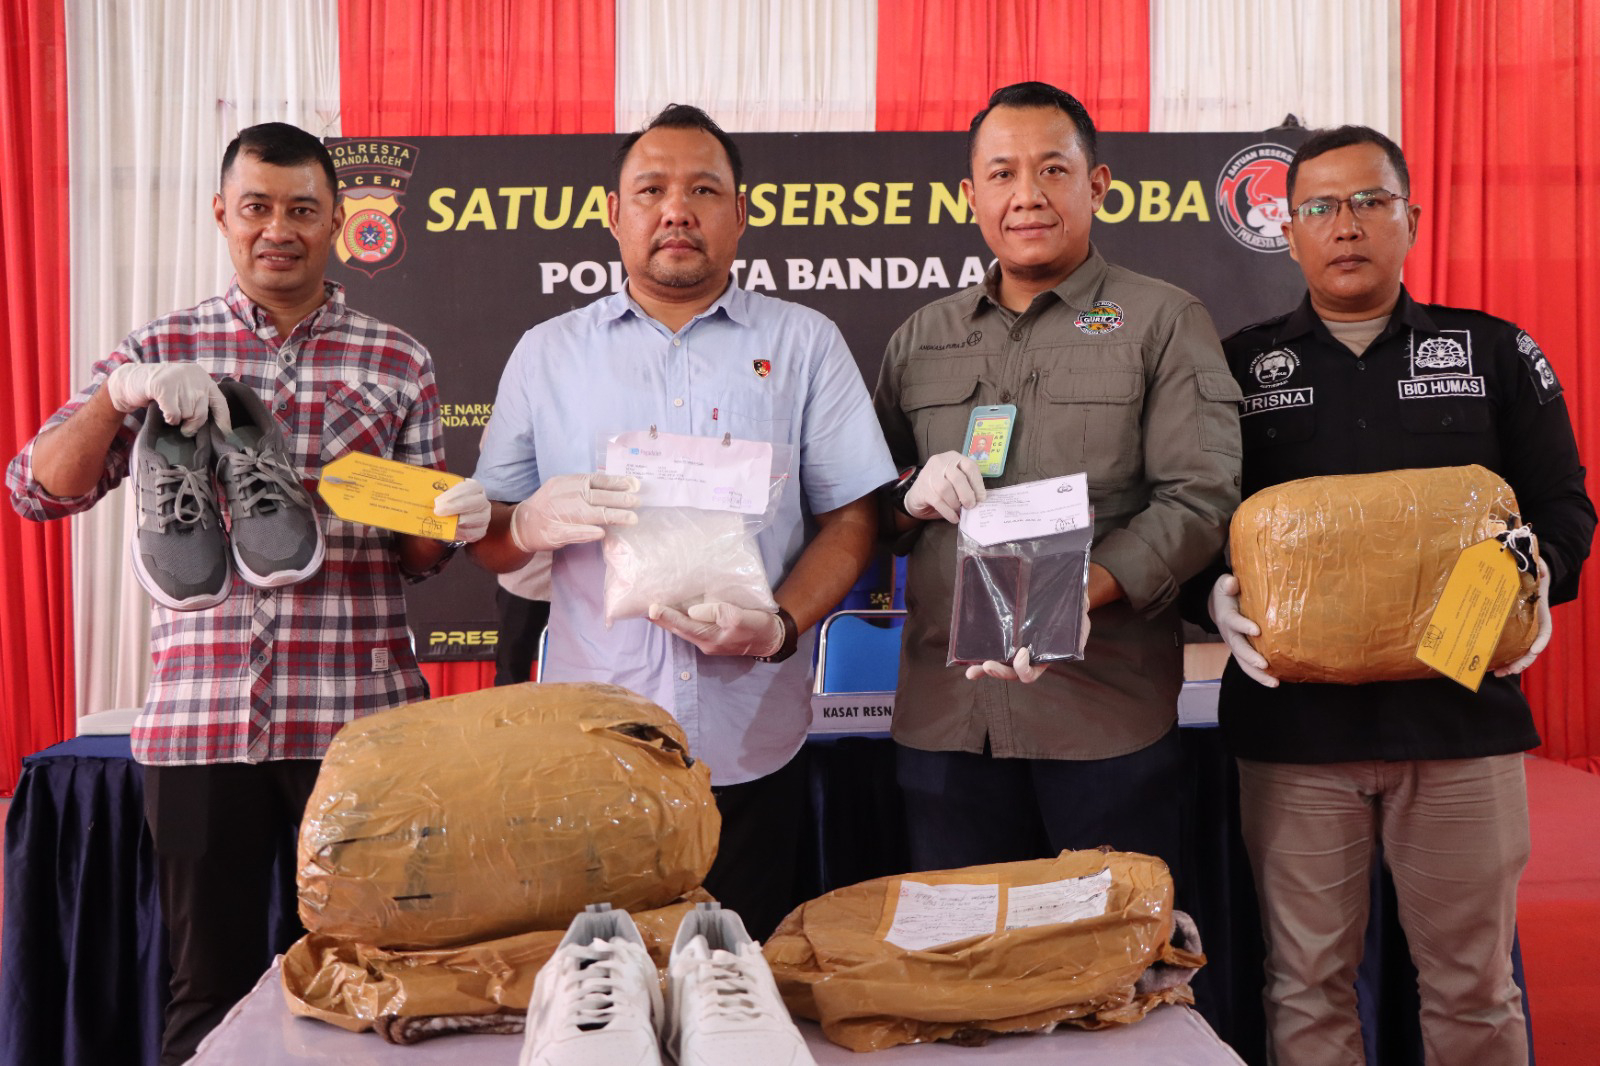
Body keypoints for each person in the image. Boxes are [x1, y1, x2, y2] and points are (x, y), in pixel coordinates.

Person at [6, 122, 490, 1064]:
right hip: (200, 721)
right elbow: (35, 489)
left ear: (337, 222)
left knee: (375, 975)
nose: (280, 228)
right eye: (258, 207)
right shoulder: (161, 343)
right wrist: (120, 396)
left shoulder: (398, 360)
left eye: (303, 210)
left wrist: (446, 521)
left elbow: (421, 565)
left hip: (358, 722)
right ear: (222, 216)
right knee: (208, 988)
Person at [1203, 125, 1594, 1065]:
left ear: (1412, 219)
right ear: (1287, 233)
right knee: (1304, 988)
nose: (1347, 226)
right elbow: (1189, 516)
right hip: (1294, 738)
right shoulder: (1237, 367)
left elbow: (1566, 508)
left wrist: (1534, 583)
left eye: (1371, 202)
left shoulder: (1495, 351)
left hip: (1460, 728)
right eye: (1320, 207)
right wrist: (1204, 596)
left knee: (1473, 989)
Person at [469, 104, 896, 939]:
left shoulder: (805, 344)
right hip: (597, 741)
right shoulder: (548, 353)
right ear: (614, 214)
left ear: (740, 214)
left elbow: (853, 520)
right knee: (606, 999)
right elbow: (486, 533)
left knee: (743, 988)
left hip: (754, 739)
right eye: (652, 189)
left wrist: (778, 624)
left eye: (704, 190)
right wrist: (522, 527)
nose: (677, 210)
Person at [873, 82, 1242, 877]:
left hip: (1100, 716)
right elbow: (862, 507)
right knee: (964, 962)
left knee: (1111, 974)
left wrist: (1081, 591)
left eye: (1052, 169)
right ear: (970, 195)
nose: (1027, 196)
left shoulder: (1162, 320)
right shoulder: (920, 338)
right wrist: (906, 496)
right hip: (947, 720)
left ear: (1097, 184)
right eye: (1001, 174)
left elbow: (1200, 495)